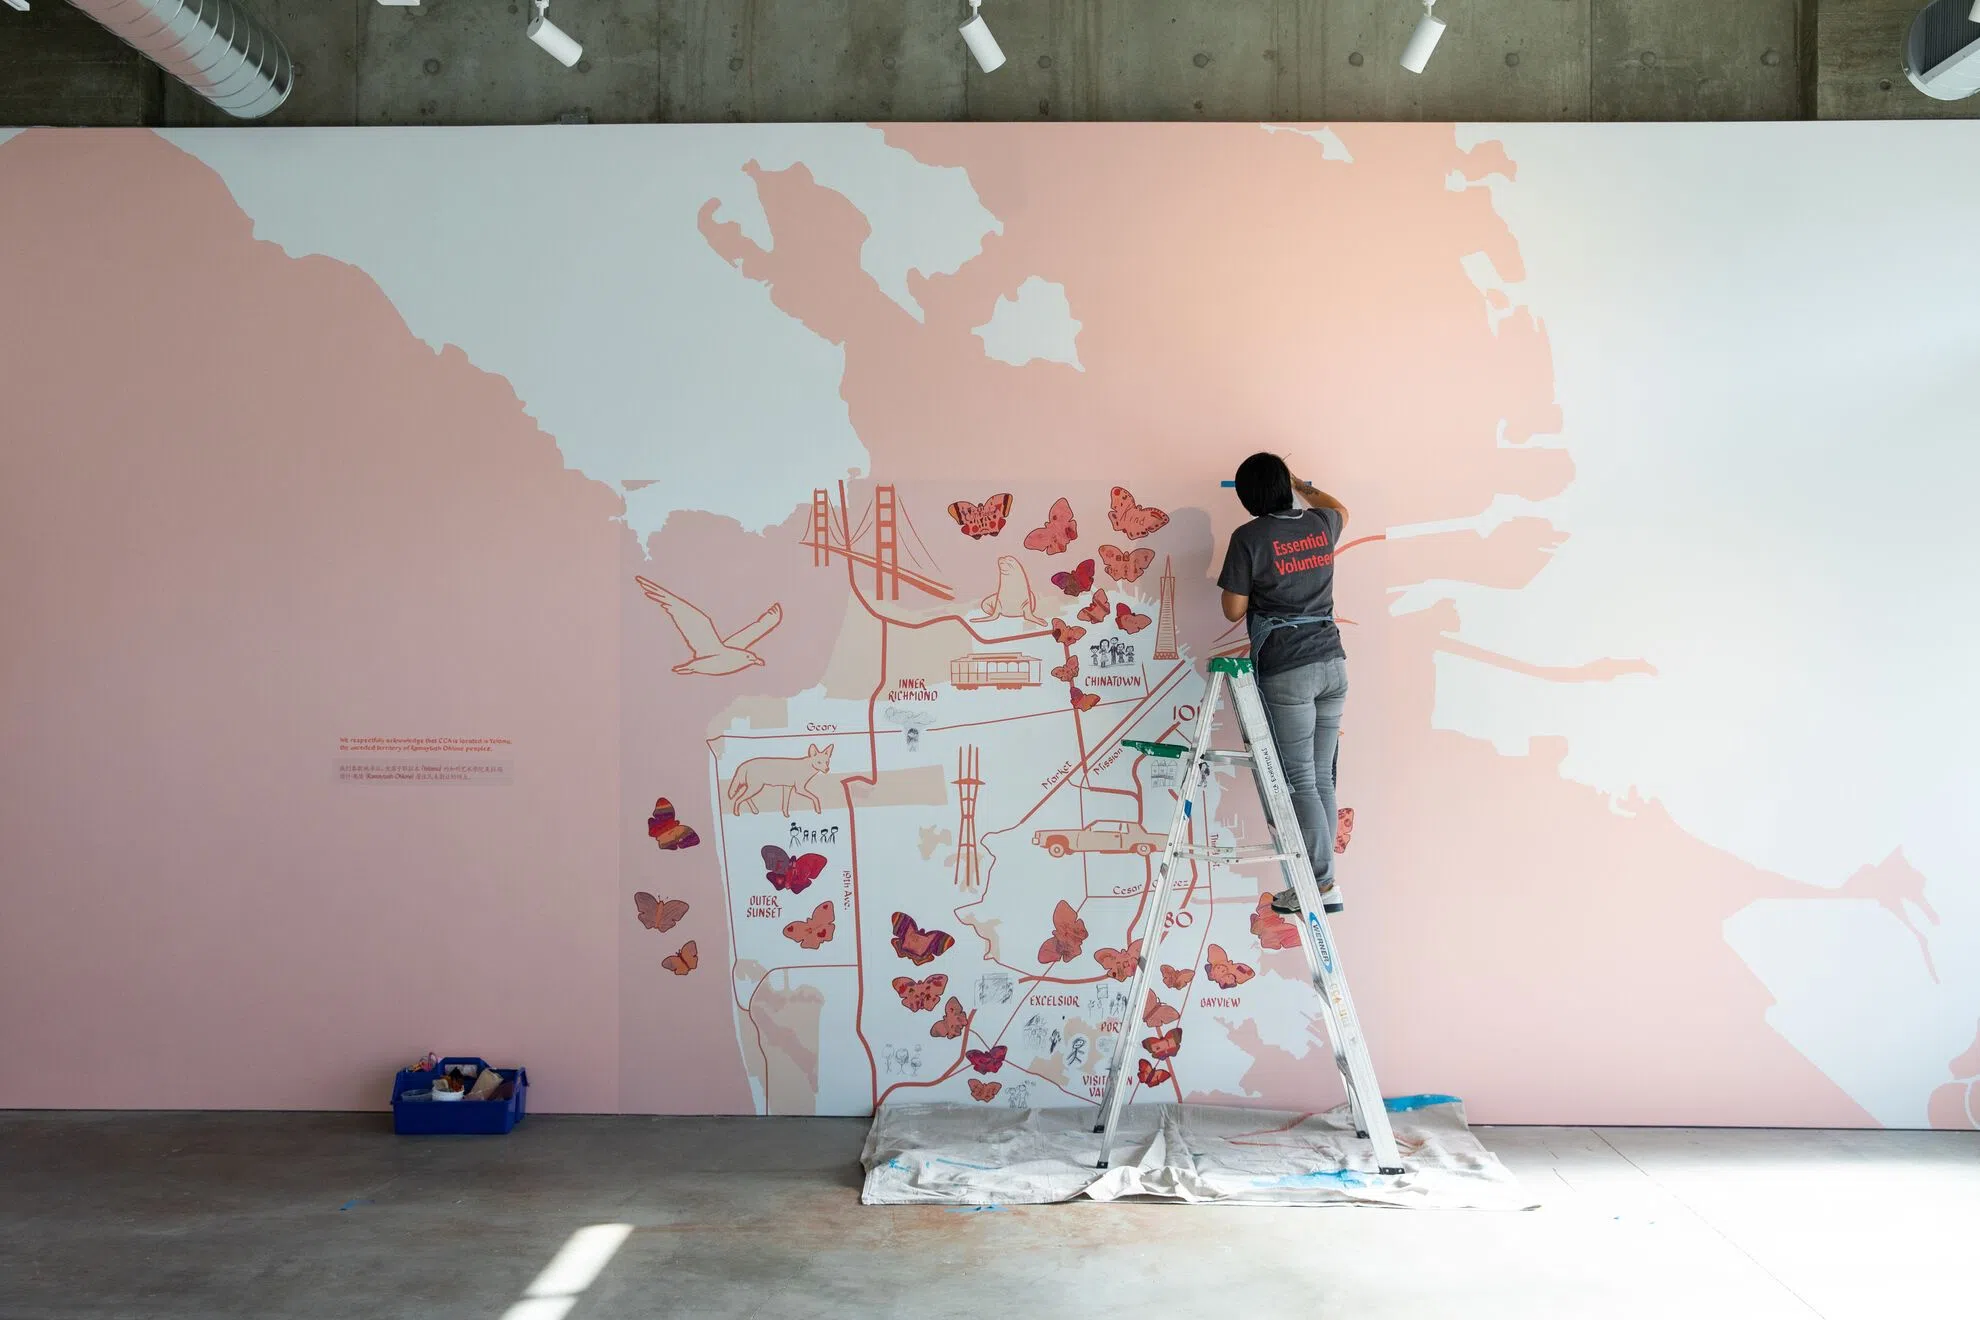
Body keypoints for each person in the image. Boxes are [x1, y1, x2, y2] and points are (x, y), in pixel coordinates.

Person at [1217, 452, 1351, 915]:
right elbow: (1341, 508)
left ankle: (1320, 884)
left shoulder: (1250, 537)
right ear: (1286, 487)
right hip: (1333, 661)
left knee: (1300, 781)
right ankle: (1324, 881)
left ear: (1247, 495)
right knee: (1320, 778)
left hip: (1288, 667)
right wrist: (1301, 483)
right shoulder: (1319, 524)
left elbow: (1233, 611)